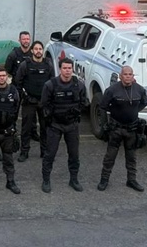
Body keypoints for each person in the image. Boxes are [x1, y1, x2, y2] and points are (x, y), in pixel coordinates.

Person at [98, 66, 147, 192]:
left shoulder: (139, 89)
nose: (128, 76)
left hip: (132, 129)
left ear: (133, 76)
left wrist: (133, 111)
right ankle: (104, 179)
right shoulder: (112, 90)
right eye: (125, 74)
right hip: (116, 128)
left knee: (132, 157)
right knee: (110, 157)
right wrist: (113, 114)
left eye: (130, 74)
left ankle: (131, 180)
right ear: (120, 76)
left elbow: (144, 102)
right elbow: (103, 106)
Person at [41, 58, 88, 193]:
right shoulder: (50, 85)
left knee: (74, 155)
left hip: (72, 125)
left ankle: (74, 179)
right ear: (60, 69)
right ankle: (46, 180)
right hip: (55, 125)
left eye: (69, 68)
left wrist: (74, 113)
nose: (67, 71)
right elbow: (44, 104)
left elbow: (83, 103)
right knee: (50, 154)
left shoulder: (79, 85)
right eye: (65, 68)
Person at [15, 41, 54, 161]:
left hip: (43, 102)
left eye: (40, 49)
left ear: (42, 51)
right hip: (29, 102)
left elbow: (52, 83)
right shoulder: (25, 65)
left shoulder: (48, 64)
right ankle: (24, 152)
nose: (38, 51)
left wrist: (49, 100)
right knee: (26, 129)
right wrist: (24, 96)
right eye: (36, 49)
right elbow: (18, 82)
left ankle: (45, 151)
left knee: (45, 128)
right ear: (32, 51)